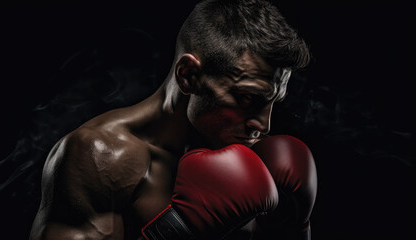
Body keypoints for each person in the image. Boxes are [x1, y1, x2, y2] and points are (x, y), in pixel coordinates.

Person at [30, 0, 317, 239]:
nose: (263, 126)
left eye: (272, 103)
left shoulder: (252, 157)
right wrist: (177, 230)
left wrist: (294, 227)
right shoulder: (101, 158)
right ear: (189, 75)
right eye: (247, 98)